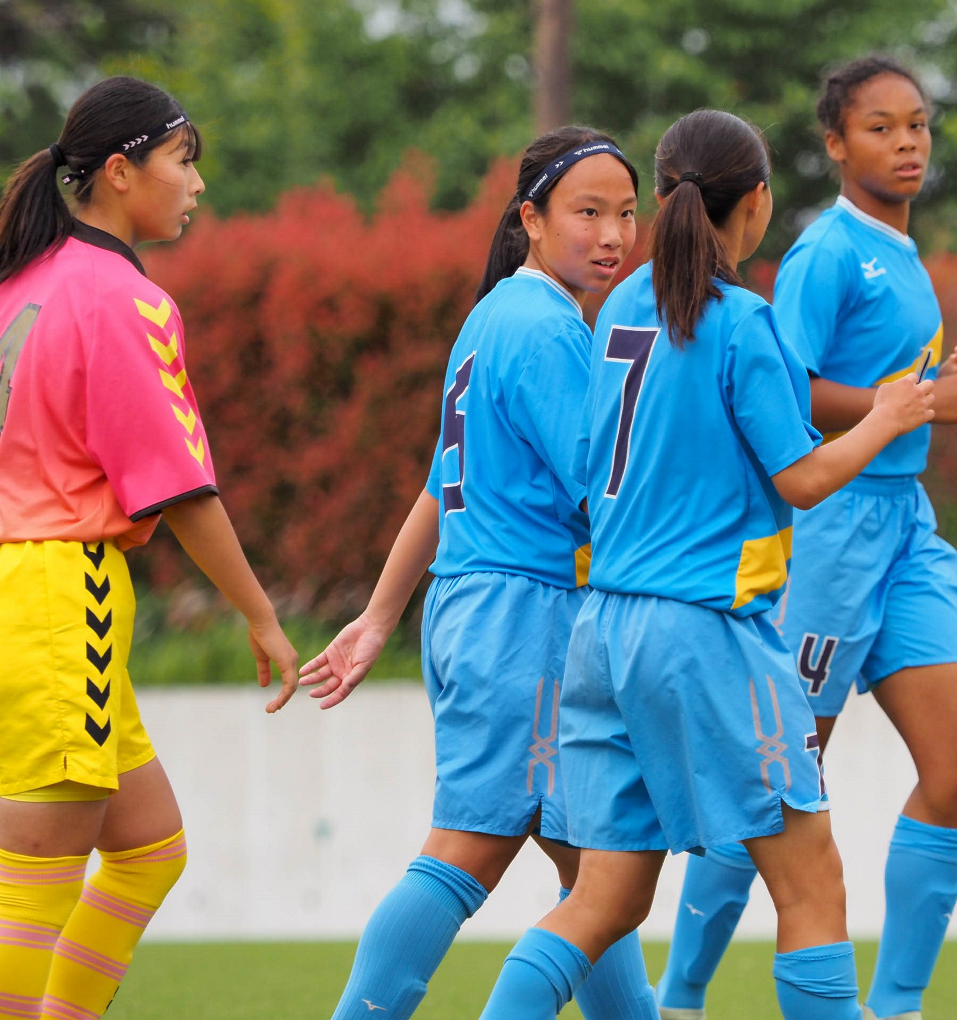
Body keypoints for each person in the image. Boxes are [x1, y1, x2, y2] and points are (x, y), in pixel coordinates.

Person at [474, 108, 935, 1020]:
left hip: (603, 635)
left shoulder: (621, 306)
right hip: (707, 635)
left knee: (602, 899)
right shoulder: (742, 320)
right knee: (811, 886)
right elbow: (801, 478)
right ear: (755, 204)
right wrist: (886, 416)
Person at [656, 57, 957, 1020]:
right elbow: (787, 385)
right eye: (883, 128)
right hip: (830, 530)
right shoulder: (826, 253)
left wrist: (937, 397)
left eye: (920, 126)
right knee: (775, 785)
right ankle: (676, 998)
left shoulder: (903, 251)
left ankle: (895, 1008)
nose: (908, 144)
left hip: (907, 529)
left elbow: (892, 395)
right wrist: (926, 400)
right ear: (835, 144)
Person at [299, 126, 657, 1020]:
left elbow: (436, 490)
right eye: (588, 212)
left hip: (488, 609)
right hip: (522, 618)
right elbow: (602, 488)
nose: (614, 234)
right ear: (530, 218)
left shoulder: (495, 315)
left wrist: (381, 617)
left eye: (626, 213)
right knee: (470, 850)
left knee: (593, 869)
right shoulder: (545, 329)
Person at [0, 76, 298, 1020]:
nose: (196, 185)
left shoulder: (20, 283)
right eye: (183, 162)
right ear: (122, 173)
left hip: (27, 594)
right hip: (59, 597)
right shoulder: (118, 300)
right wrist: (262, 616)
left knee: (147, 847)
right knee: (34, 875)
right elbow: (179, 491)